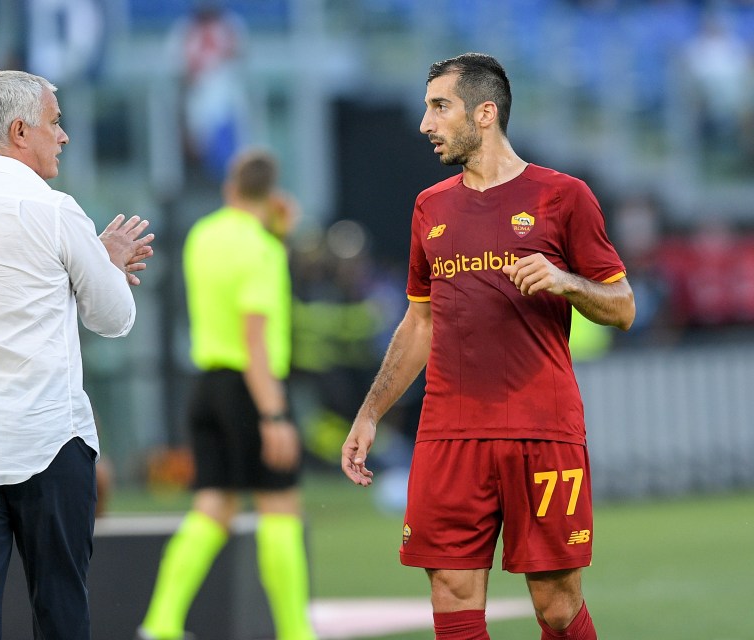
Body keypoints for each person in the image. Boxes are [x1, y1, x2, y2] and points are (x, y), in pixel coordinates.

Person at [341, 53, 635, 640]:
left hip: (540, 428)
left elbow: (623, 306)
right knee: (451, 595)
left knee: (555, 604)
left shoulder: (564, 196)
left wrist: (565, 280)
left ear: (484, 113)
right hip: (449, 431)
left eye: (439, 106)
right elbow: (419, 322)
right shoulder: (431, 206)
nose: (425, 122)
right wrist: (371, 412)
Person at [0, 69, 154, 640]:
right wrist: (106, 264)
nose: (63, 136)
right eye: (55, 122)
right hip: (44, 442)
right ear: (21, 131)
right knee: (61, 612)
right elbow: (113, 318)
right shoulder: (54, 209)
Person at [136, 149, 315, 640]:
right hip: (249, 389)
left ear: (231, 188)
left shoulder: (204, 235)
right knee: (279, 508)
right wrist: (274, 415)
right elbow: (254, 340)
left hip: (207, 385)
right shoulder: (262, 249)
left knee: (212, 508)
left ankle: (161, 624)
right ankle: (297, 632)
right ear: (273, 194)